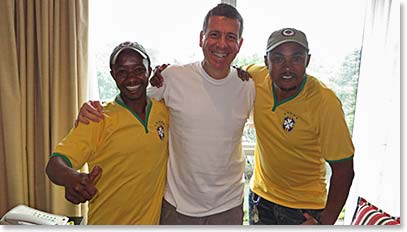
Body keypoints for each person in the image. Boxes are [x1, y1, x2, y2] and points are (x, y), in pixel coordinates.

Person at [76, 3, 255, 225]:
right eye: (214, 34)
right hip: (178, 207)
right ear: (201, 38)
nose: (221, 44)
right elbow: (131, 95)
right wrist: (94, 109)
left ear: (240, 44)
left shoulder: (247, 85)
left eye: (230, 37)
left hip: (228, 207)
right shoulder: (171, 78)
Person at [46, 41, 169, 224]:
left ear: (149, 70)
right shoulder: (97, 118)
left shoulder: (164, 111)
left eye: (138, 70)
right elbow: (55, 164)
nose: (131, 78)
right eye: (122, 72)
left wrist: (169, 74)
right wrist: (71, 178)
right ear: (113, 76)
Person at [245, 28, 355, 225]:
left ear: (308, 60)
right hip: (260, 200)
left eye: (296, 58)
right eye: (278, 58)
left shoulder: (324, 102)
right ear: (266, 61)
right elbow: (225, 75)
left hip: (303, 210)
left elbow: (344, 170)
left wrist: (325, 222)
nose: (287, 67)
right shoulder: (254, 77)